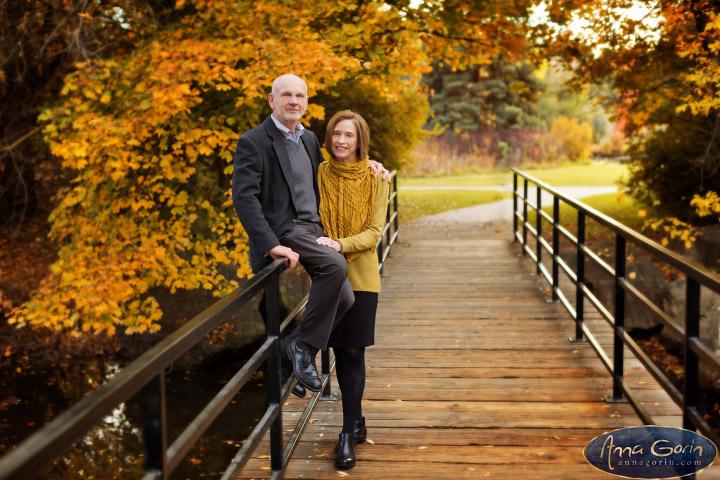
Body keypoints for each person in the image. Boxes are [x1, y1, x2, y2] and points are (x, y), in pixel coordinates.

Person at [232, 74, 386, 394]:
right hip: (286, 230)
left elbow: (330, 174)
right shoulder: (254, 141)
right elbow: (244, 199)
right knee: (335, 266)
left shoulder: (309, 139)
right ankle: (303, 349)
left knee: (344, 296)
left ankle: (291, 347)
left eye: (300, 96)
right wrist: (271, 245)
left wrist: (373, 165)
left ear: (306, 102)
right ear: (272, 100)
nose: (294, 101)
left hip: (314, 228)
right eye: (286, 95)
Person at [315, 110, 389, 469]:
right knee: (340, 350)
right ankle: (355, 419)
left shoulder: (378, 178)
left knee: (354, 352)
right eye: (336, 134)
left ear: (360, 141)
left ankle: (347, 435)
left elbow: (376, 233)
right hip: (329, 277)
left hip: (361, 277)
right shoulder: (319, 174)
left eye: (349, 135)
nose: (341, 141)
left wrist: (339, 245)